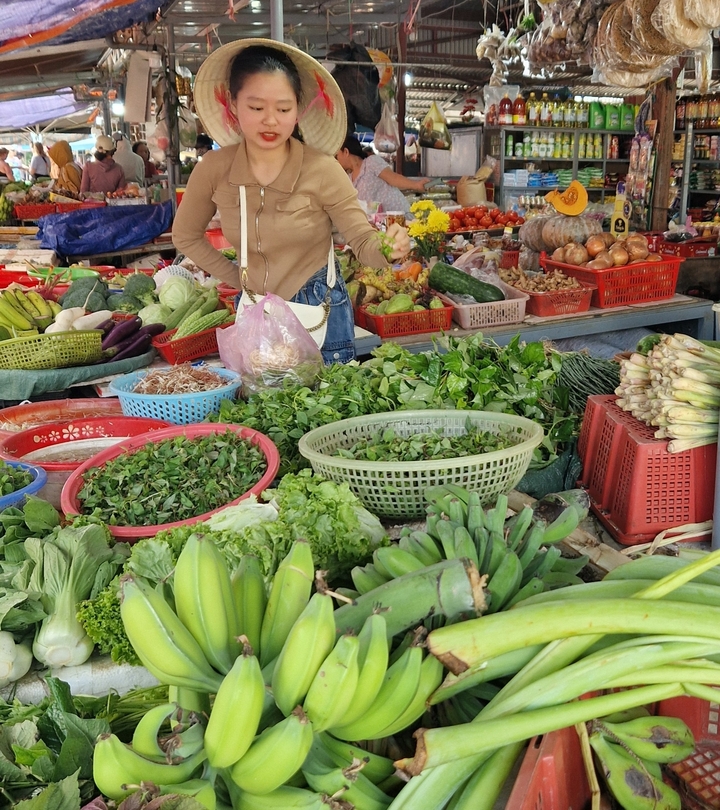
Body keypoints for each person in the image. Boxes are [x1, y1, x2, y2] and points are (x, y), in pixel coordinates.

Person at [173, 39, 410, 365]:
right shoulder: (214, 169)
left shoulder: (322, 168)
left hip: (319, 310)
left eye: (283, 109)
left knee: (327, 409)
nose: (271, 120)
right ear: (232, 101)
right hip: (255, 311)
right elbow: (185, 235)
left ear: (298, 108)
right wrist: (236, 278)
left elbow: (362, 240)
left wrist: (388, 248)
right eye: (256, 108)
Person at [336, 136, 429, 214]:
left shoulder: (371, 162)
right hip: (378, 226)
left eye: (337, 156)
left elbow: (394, 179)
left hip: (397, 215)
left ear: (346, 152)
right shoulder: (348, 179)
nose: (336, 160)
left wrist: (416, 185)